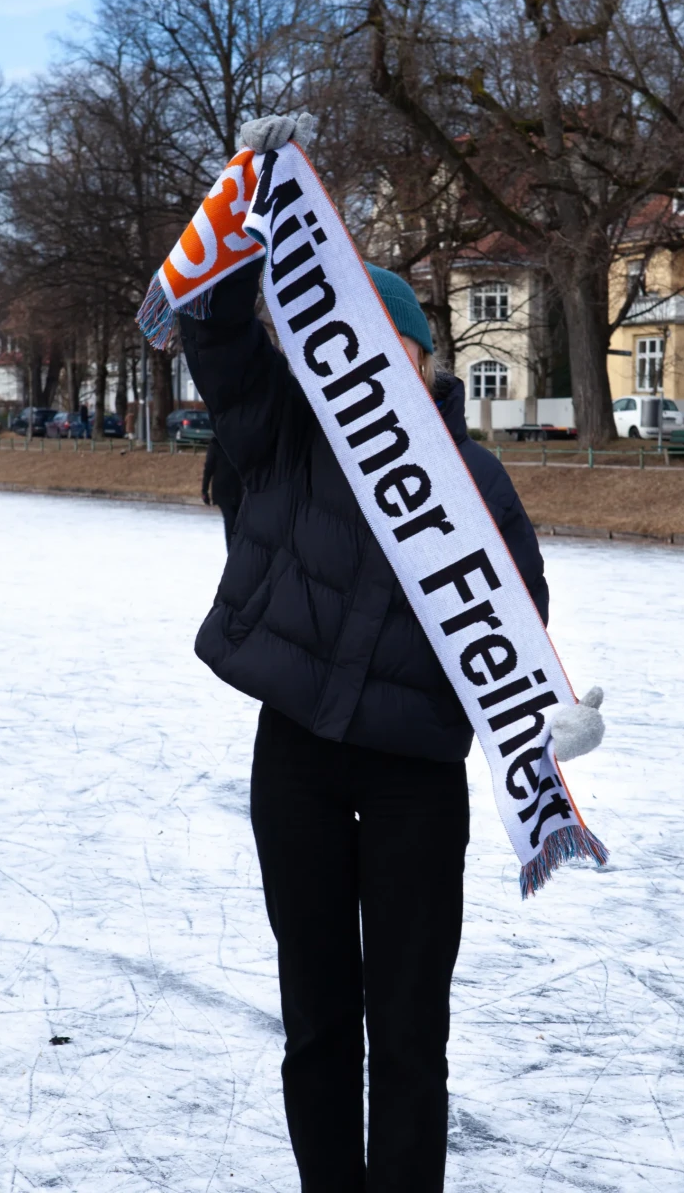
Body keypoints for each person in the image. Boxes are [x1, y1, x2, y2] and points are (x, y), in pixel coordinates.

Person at [180, 200, 546, 1192]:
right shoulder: (282, 436)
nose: (377, 357)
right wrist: (248, 203)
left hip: (413, 779)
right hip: (296, 760)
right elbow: (214, 330)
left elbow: (517, 620)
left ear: (423, 358)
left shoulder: (476, 480)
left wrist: (546, 711)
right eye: (354, 336)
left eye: (395, 340)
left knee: (410, 1025)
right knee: (318, 1016)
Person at [201, 434, 243, 546]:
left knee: (235, 520)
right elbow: (209, 468)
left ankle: (235, 549)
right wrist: (204, 490)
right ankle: (232, 550)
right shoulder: (217, 444)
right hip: (226, 489)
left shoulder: (236, 441)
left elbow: (208, 467)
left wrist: (204, 490)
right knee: (231, 520)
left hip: (235, 488)